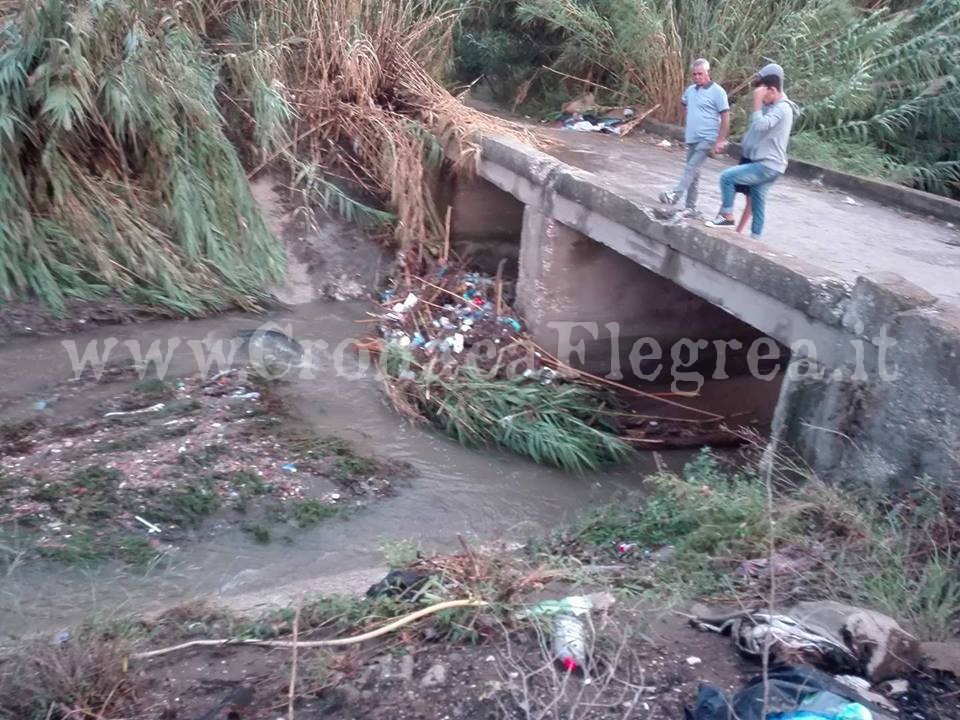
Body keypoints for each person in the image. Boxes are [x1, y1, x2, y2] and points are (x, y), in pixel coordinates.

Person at [706, 63, 795, 238]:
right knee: (758, 201)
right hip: (770, 164)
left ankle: (727, 216)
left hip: (767, 165)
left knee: (727, 177)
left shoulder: (782, 108)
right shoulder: (774, 106)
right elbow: (756, 132)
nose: (762, 100)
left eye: (764, 95)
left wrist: (757, 105)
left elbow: (761, 125)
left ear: (772, 89)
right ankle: (755, 239)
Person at [659, 58, 730, 216]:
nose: (697, 77)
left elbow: (725, 116)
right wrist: (690, 120)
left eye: (700, 74)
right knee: (694, 173)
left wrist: (720, 140)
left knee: (691, 167)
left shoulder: (718, 92)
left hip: (708, 138)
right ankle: (690, 207)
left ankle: (674, 196)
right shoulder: (691, 90)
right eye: (694, 74)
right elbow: (684, 104)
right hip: (692, 138)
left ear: (707, 73)